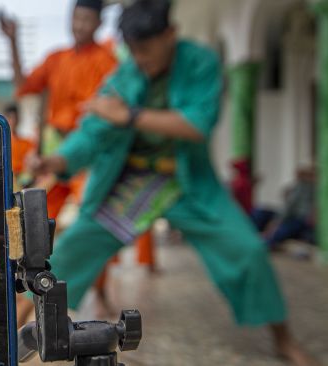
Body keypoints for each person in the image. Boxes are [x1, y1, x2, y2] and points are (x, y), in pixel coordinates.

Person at [23, 1, 318, 365]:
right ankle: (15, 337)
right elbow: (92, 134)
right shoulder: (123, 77)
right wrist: (58, 160)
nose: (139, 59)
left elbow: (197, 125)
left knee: (248, 251)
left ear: (170, 36)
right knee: (71, 251)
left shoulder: (202, 62)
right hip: (130, 183)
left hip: (186, 182)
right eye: (132, 50)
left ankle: (283, 339)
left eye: (145, 49)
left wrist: (128, 115)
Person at [0, 0, 118, 218]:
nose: (79, 25)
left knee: (95, 219)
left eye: (86, 20)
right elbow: (24, 85)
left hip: (88, 154)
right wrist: (12, 41)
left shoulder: (108, 62)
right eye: (76, 18)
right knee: (39, 223)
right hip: (55, 153)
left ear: (99, 23)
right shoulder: (56, 58)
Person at [3, 103, 36, 188]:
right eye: (10, 117)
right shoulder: (0, 143)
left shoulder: (28, 143)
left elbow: (31, 169)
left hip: (22, 184)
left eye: (15, 118)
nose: (13, 121)